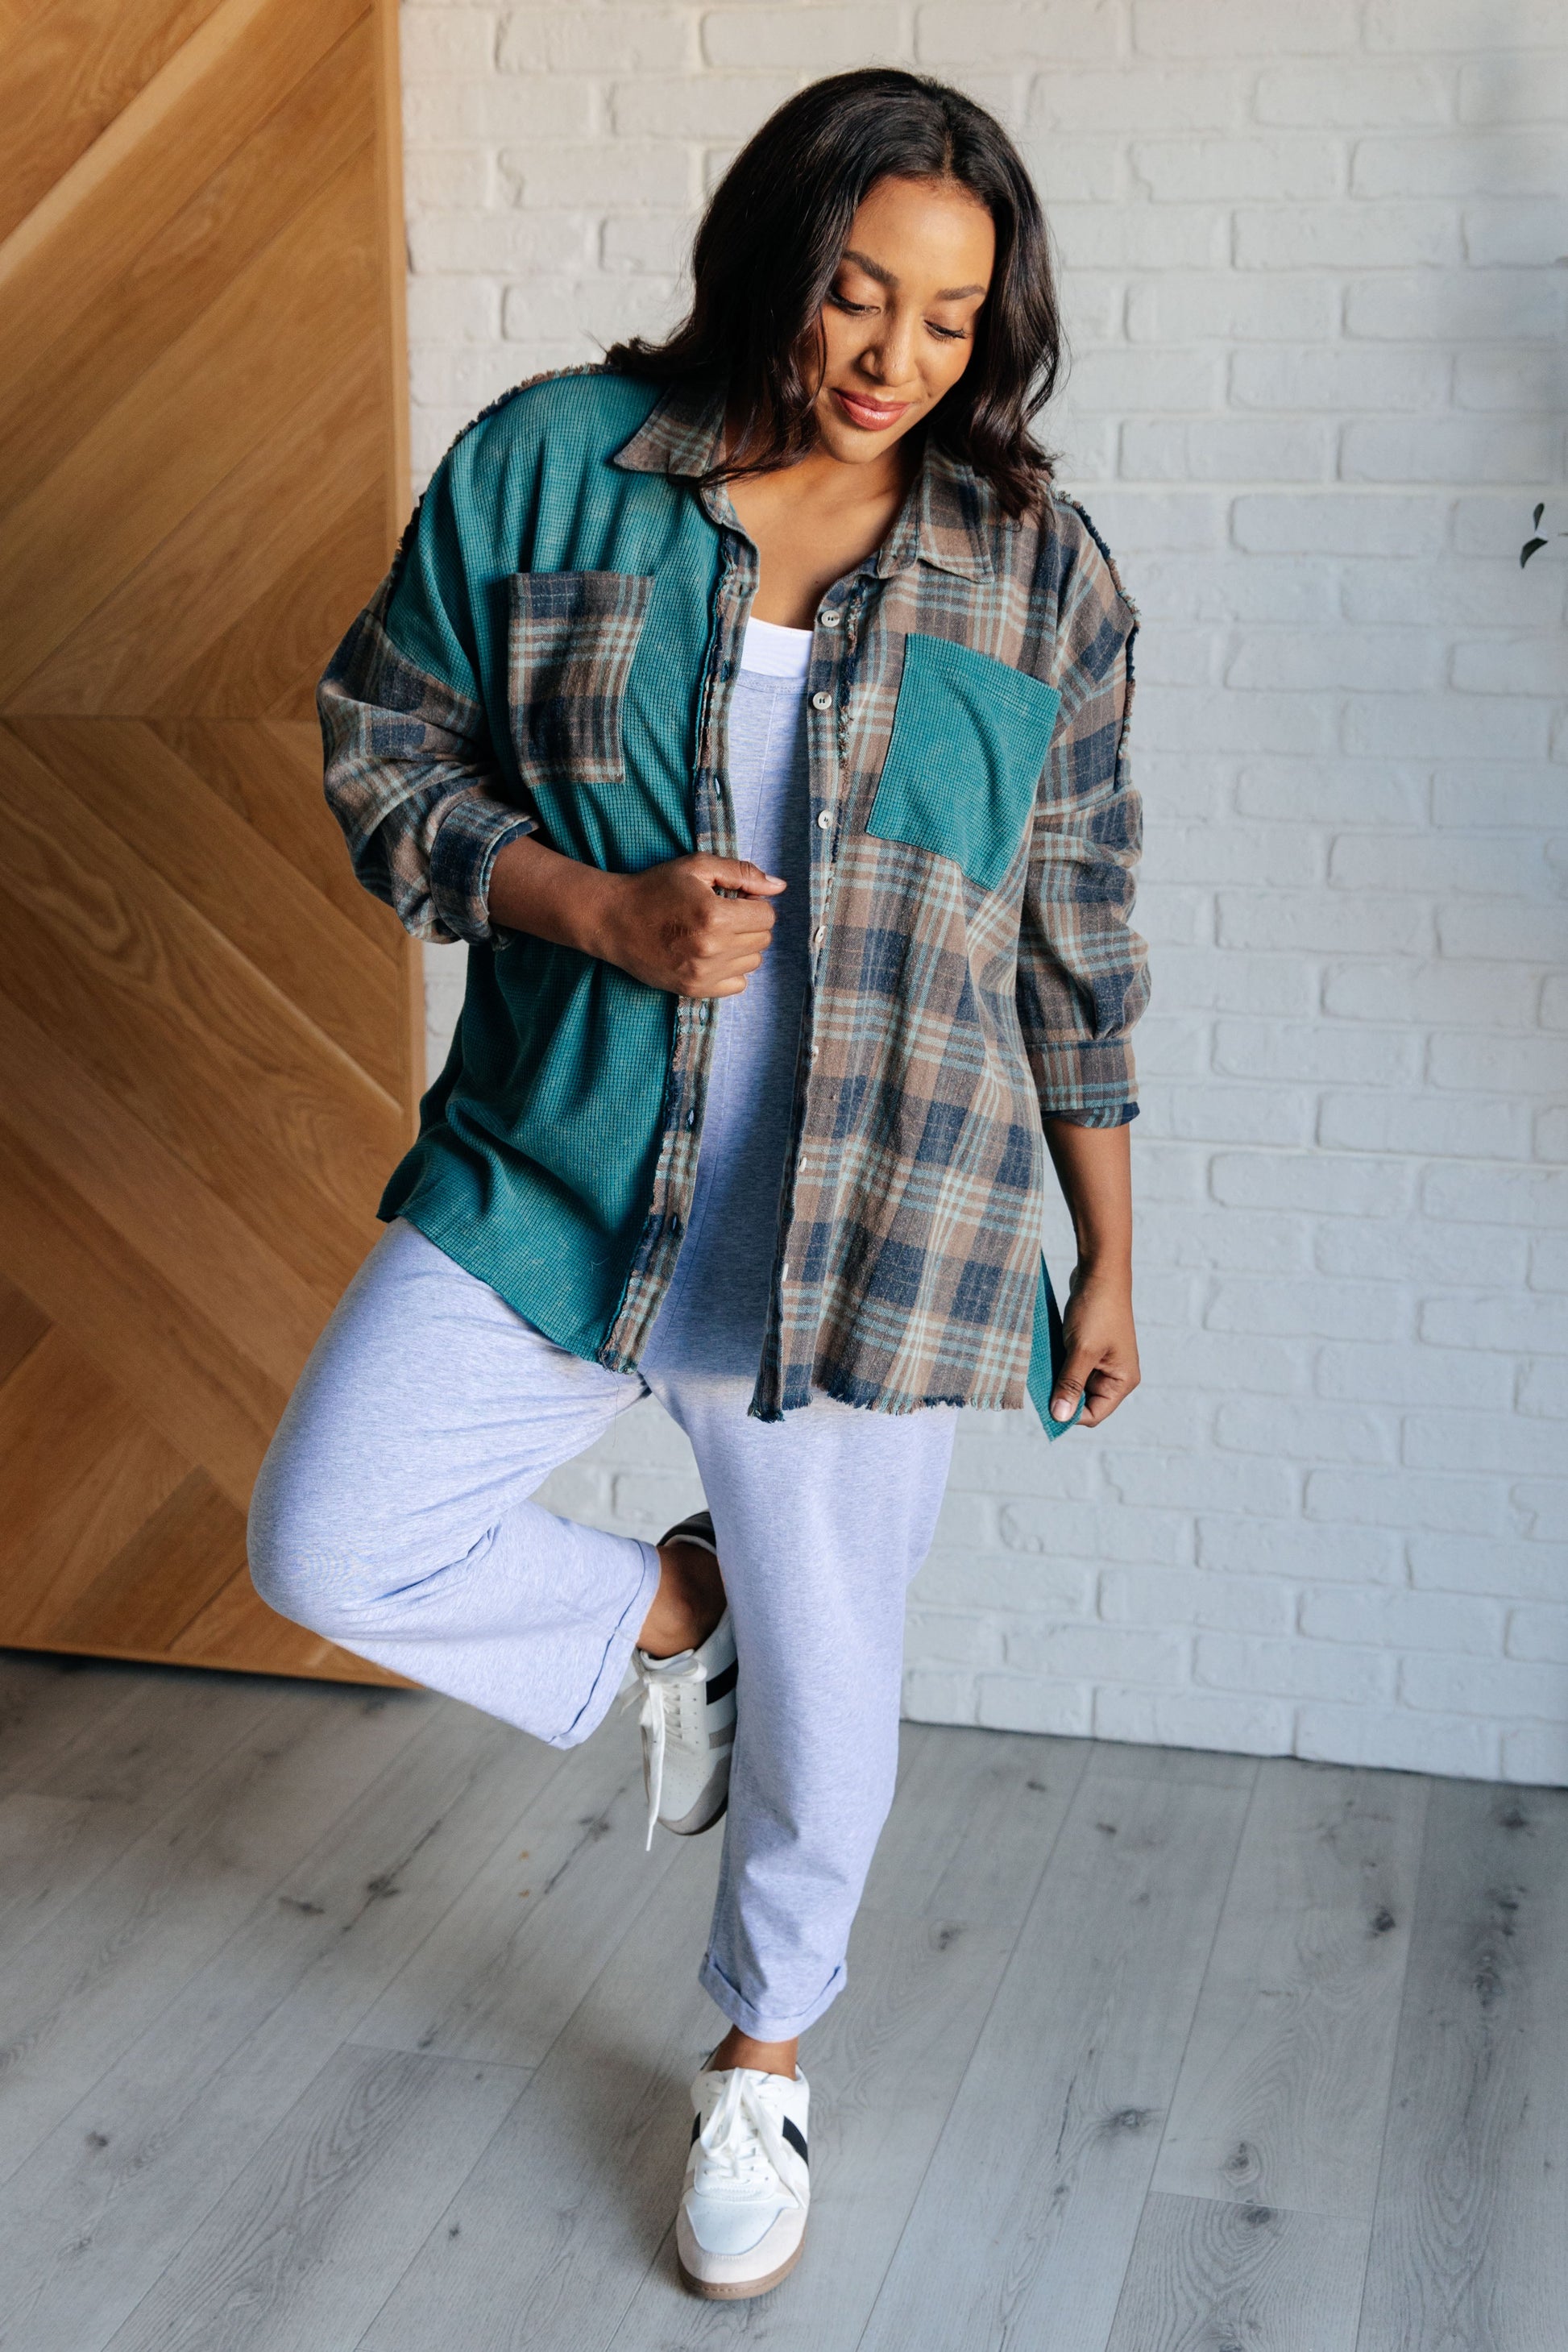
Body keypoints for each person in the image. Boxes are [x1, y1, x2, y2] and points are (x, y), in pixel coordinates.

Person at [249, 65, 1147, 2302]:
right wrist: (590, 908)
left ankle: (762, 2058)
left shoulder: (1032, 571)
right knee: (331, 1536)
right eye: (857, 293)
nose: (891, 356)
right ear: (771, 257)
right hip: (559, 1169)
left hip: (874, 1231)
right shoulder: (551, 462)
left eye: (949, 319)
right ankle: (678, 1616)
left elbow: (1077, 934)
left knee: (835, 1705)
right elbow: (382, 746)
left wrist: (1109, 1249)